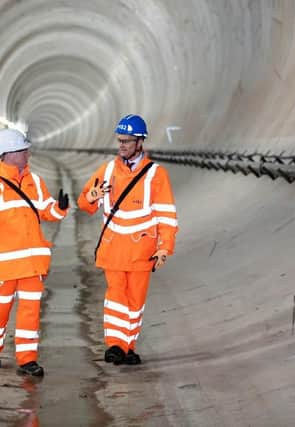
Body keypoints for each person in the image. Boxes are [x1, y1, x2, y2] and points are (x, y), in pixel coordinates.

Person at [77, 114, 178, 365]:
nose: (122, 145)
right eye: (120, 140)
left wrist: (165, 247)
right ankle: (115, 345)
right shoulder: (108, 170)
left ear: (140, 142)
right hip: (113, 249)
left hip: (142, 251)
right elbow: (84, 204)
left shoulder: (156, 175)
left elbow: (166, 215)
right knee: (116, 298)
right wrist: (92, 195)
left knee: (135, 302)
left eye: (128, 141)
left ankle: (128, 346)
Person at [0, 128, 69, 377]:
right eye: (24, 150)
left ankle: (27, 360)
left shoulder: (35, 182)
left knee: (30, 311)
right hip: (6, 264)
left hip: (32, 263)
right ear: (10, 154)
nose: (28, 154)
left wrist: (60, 208)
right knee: (0, 308)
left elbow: (47, 211)